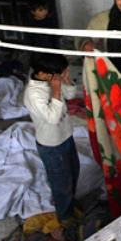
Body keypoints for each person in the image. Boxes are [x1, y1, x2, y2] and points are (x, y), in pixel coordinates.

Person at [23, 53, 80, 224]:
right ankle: (65, 218)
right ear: (42, 73)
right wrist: (55, 91)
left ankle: (70, 205)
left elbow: (70, 95)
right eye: (58, 74)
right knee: (61, 184)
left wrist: (67, 80)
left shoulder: (52, 79)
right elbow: (53, 118)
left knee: (74, 171)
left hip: (66, 136)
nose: (59, 77)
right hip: (52, 145)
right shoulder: (33, 94)